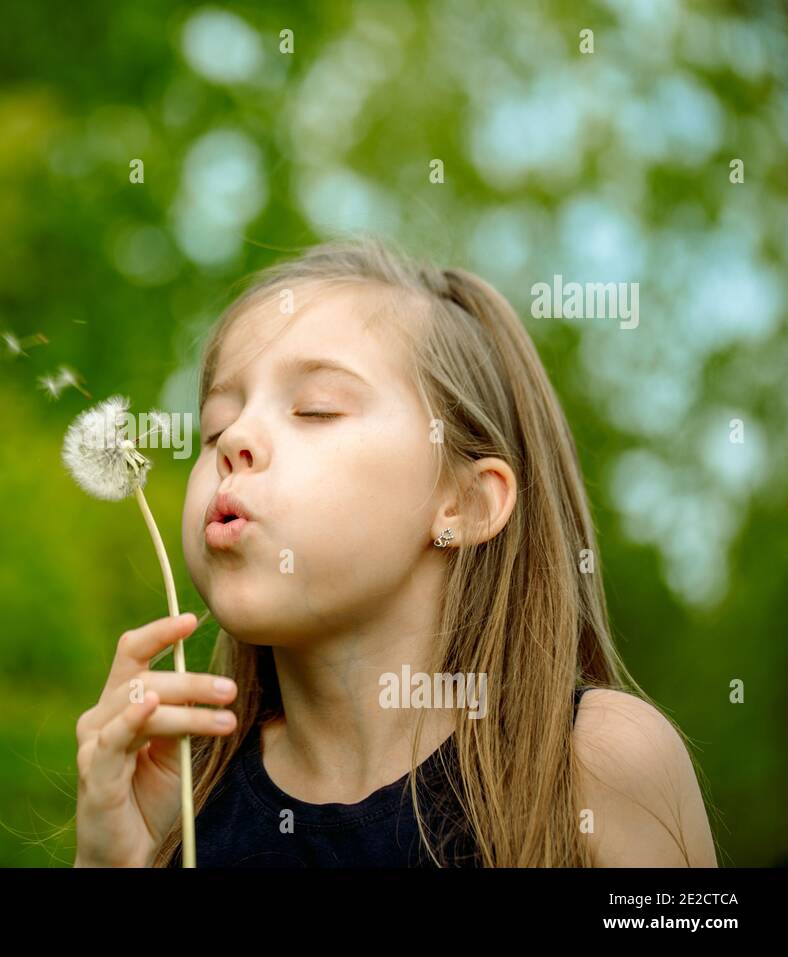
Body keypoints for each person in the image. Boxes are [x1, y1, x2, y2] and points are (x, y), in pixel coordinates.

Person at [73, 237, 718, 868]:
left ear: (464, 504)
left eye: (315, 410)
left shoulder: (592, 766)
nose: (234, 437)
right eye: (215, 422)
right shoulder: (180, 804)